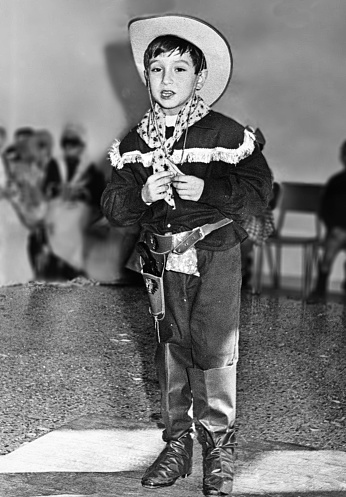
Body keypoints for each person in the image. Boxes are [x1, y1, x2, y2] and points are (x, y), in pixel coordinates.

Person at [101, 14, 272, 496]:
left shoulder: (224, 134)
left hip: (214, 255)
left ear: (200, 77)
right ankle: (177, 445)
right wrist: (143, 196)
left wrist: (208, 187)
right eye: (156, 70)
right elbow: (113, 206)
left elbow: (260, 192)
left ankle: (219, 450)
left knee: (215, 350)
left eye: (179, 69)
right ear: (146, 78)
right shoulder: (134, 145)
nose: (166, 80)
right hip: (160, 264)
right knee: (170, 349)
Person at [240, 128, 280, 288]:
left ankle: (243, 272)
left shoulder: (263, 171)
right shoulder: (233, 166)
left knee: (244, 238)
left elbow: (265, 199)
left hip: (257, 215)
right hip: (238, 213)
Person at [310, 140, 346, 299]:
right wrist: (334, 227)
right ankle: (320, 289)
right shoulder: (336, 182)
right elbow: (324, 209)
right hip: (336, 231)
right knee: (328, 253)